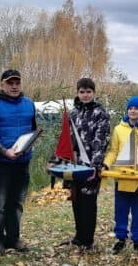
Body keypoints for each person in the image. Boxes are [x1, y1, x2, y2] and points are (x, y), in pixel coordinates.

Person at [48, 78, 111, 251]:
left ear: (94, 93)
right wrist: (55, 160)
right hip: (74, 165)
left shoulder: (101, 113)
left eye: (88, 92)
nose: (85, 95)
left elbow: (101, 141)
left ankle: (87, 239)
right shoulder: (74, 113)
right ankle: (79, 236)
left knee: (89, 201)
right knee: (76, 199)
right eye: (82, 92)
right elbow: (66, 140)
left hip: (91, 165)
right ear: (77, 93)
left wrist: (96, 166)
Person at [0, 69, 37, 254]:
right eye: (10, 83)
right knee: (0, 204)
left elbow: (33, 130)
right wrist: (4, 151)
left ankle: (13, 239)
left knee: (17, 203)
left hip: (23, 162)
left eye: (17, 83)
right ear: (2, 84)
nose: (14, 86)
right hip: (2, 163)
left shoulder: (29, 104)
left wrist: (29, 145)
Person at [103, 96, 138, 253]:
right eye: (130, 108)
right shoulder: (119, 129)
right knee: (121, 209)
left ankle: (137, 240)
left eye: (136, 108)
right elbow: (113, 150)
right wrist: (106, 164)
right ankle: (120, 238)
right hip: (122, 177)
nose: (133, 111)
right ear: (127, 110)